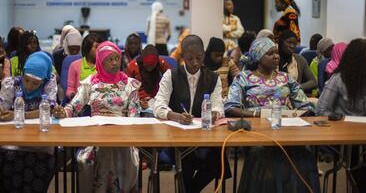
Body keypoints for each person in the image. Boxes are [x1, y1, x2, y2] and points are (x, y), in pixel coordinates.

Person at [224, 38, 320, 193]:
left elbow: (304, 105)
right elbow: (230, 107)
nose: (277, 56)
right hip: (258, 131)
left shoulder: (286, 78)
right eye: (270, 53)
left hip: (287, 129)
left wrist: (295, 114)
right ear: (258, 57)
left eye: (276, 52)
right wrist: (257, 114)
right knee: (264, 156)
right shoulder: (243, 78)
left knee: (305, 155)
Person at [56, 41, 141, 193]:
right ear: (100, 62)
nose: (115, 63)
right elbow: (74, 105)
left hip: (123, 137)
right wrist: (63, 112)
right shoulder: (90, 83)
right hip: (95, 136)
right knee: (87, 159)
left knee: (122, 156)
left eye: (117, 58)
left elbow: (134, 115)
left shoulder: (129, 84)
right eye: (110, 60)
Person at [154, 35, 230, 192]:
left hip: (204, 135)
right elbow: (158, 106)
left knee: (219, 158)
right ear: (182, 57)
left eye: (199, 58)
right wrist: (176, 116)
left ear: (204, 55)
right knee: (186, 162)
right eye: (190, 58)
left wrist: (214, 113)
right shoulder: (171, 75)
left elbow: (218, 107)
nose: (195, 63)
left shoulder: (213, 78)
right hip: (178, 136)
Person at [316, 38, 366, 193]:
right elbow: (321, 110)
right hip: (344, 135)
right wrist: (337, 118)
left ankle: (365, 181)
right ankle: (364, 183)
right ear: (356, 61)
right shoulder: (338, 80)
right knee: (358, 160)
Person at [0, 51, 57, 193]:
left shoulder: (49, 83)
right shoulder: (11, 83)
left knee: (41, 161)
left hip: (41, 143)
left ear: (43, 80)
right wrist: (1, 113)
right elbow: (1, 109)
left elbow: (49, 109)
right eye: (26, 80)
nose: (29, 86)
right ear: (23, 73)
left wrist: (18, 115)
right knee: (4, 157)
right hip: (13, 141)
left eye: (35, 83)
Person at [126, 44, 171, 110]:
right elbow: (127, 88)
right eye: (147, 66)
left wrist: (159, 100)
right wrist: (138, 101)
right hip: (138, 100)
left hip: (157, 98)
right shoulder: (132, 66)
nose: (149, 69)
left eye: (152, 66)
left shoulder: (161, 62)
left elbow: (171, 79)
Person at [66, 34, 103, 100]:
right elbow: (70, 89)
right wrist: (74, 96)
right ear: (87, 48)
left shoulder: (104, 66)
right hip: (80, 103)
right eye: (96, 47)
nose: (99, 50)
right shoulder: (74, 65)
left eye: (101, 47)